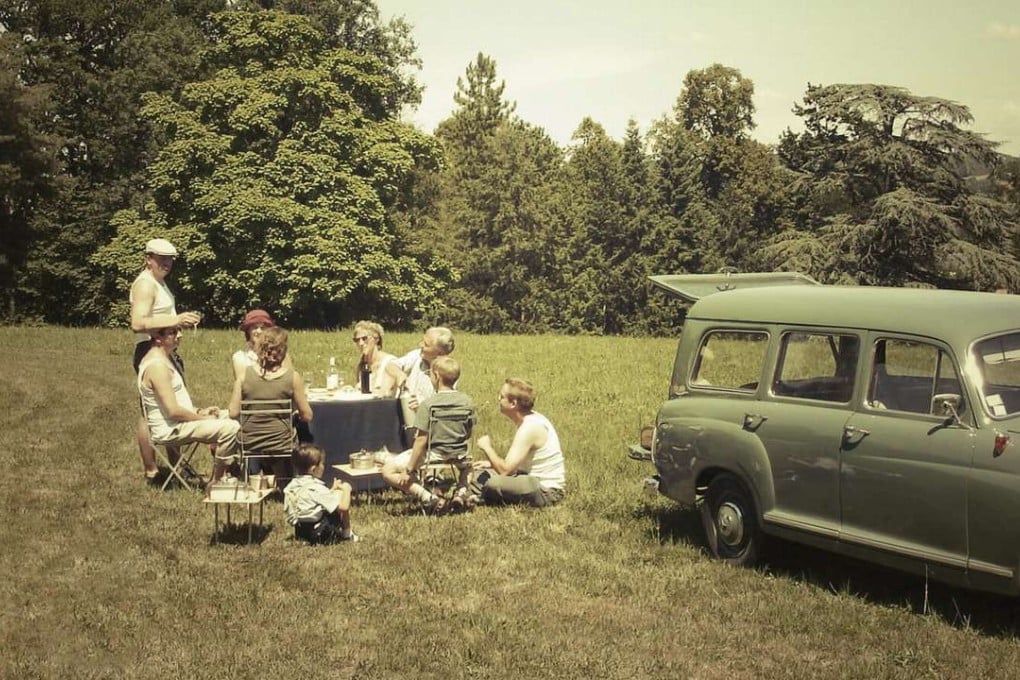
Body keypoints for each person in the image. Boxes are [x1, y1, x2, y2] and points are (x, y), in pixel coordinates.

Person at [129, 238, 201, 482]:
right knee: (150, 411)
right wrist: (175, 320)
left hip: (164, 349)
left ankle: (176, 466)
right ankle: (152, 470)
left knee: (172, 404)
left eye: (170, 259)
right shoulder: (146, 285)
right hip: (150, 349)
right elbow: (137, 323)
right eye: (161, 258)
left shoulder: (158, 283)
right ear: (148, 258)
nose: (166, 263)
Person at [137, 324, 240, 488]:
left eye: (179, 331)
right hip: (171, 429)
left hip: (181, 422)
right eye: (172, 332)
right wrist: (203, 418)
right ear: (158, 337)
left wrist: (200, 411)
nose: (179, 335)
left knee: (234, 415)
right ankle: (218, 482)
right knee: (231, 428)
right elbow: (173, 412)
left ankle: (241, 470)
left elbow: (177, 405)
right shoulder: (157, 367)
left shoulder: (166, 359)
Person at [381, 356, 476, 513]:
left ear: (437, 376)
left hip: (434, 454)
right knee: (468, 468)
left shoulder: (429, 404)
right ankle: (461, 492)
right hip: (460, 454)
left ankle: (428, 497)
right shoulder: (468, 402)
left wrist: (409, 469)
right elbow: (469, 432)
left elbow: (421, 440)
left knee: (388, 470)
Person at [228, 326, 312, 481]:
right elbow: (307, 415)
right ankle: (288, 480)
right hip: (281, 441)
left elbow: (233, 412)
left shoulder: (244, 376)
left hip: (249, 440)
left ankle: (258, 478)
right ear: (283, 350)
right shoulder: (292, 377)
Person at [473, 378, 566, 507]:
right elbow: (516, 463)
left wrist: (487, 447)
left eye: (502, 397)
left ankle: (482, 496)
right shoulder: (529, 420)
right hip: (525, 477)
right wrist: (490, 464)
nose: (498, 399)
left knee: (493, 482)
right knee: (478, 475)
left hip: (544, 489)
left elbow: (506, 471)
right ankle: (478, 494)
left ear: (513, 403)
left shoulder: (529, 428)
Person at [283, 443, 359, 544]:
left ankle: (305, 540)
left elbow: (311, 501)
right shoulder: (316, 488)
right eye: (322, 464)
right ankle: (347, 534)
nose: (323, 466)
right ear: (314, 469)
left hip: (300, 531)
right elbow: (343, 507)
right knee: (340, 495)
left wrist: (331, 489)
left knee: (333, 495)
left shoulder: (291, 486)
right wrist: (346, 490)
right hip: (320, 533)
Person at [387, 326, 455, 411]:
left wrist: (421, 408)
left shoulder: (448, 371)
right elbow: (391, 365)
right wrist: (399, 374)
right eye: (423, 341)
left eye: (426, 345)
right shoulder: (417, 355)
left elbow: (443, 408)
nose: (420, 345)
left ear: (439, 352)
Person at [232, 309, 285, 381]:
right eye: (255, 327)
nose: (259, 331)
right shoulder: (241, 358)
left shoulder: (278, 355)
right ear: (248, 331)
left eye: (263, 328)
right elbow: (242, 385)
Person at [351, 320, 397, 396]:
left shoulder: (389, 363)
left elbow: (387, 393)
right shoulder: (361, 365)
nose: (361, 343)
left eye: (364, 338)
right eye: (357, 340)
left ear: (376, 339)